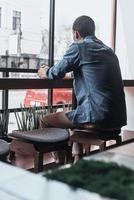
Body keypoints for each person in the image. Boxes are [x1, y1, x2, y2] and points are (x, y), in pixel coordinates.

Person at [38, 15, 127, 132]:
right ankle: (71, 149)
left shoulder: (80, 47)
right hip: (117, 118)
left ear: (76, 34)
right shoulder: (109, 51)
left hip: (96, 116)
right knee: (73, 122)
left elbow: (56, 72)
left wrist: (46, 72)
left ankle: (59, 151)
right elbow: (91, 75)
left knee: (45, 120)